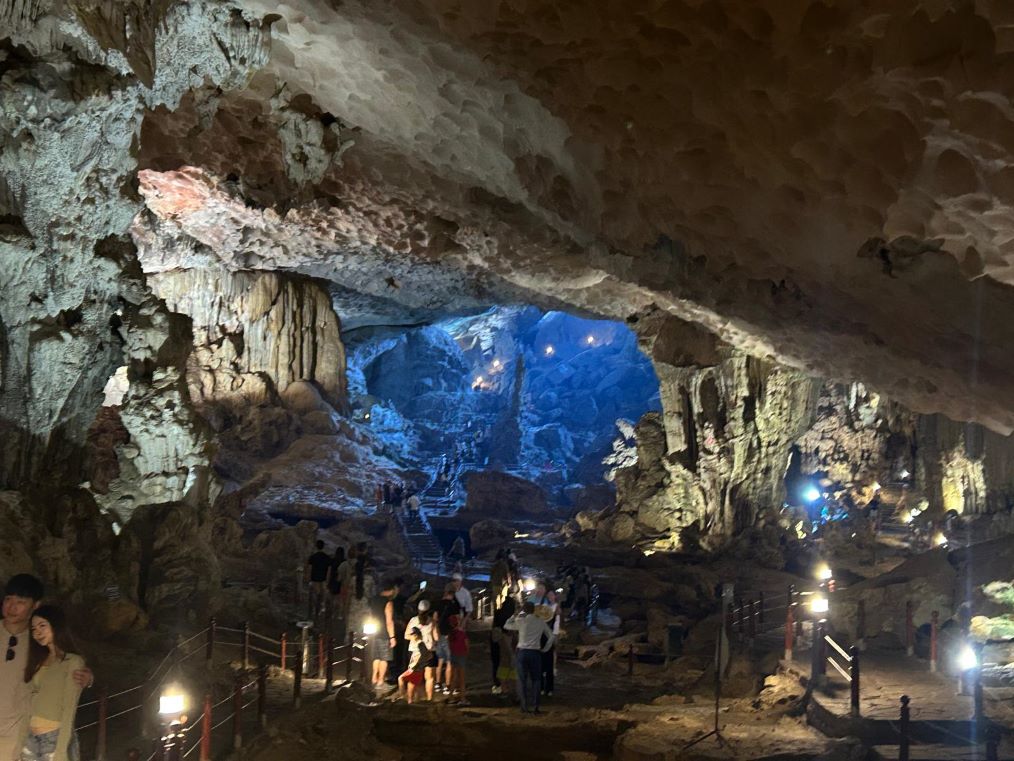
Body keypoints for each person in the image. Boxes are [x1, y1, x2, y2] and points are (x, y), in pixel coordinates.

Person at [0, 576, 91, 761]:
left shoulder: (38, 643)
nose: (12, 607)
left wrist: (88, 678)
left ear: (35, 606)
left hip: (19, 731)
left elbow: (65, 663)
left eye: (20, 602)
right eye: (8, 599)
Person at [21, 606, 84, 761]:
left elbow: (69, 707)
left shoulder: (73, 661)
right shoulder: (37, 660)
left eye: (42, 625)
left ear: (56, 625)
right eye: (34, 629)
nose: (37, 633)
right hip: (30, 737)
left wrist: (62, 750)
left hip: (54, 737)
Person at [504, 601, 554, 714]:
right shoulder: (541, 622)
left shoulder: (521, 621)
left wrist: (515, 614)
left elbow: (506, 624)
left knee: (522, 680)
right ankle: (536, 706)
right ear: (534, 610)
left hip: (522, 653)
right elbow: (551, 636)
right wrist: (545, 649)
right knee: (536, 680)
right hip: (535, 653)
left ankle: (524, 706)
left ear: (524, 610)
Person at [432, 584, 460, 695]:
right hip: (449, 635)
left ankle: (438, 683)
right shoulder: (454, 605)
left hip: (439, 635)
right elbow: (457, 620)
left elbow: (434, 620)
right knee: (449, 662)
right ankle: (447, 686)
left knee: (440, 661)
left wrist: (435, 633)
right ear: (452, 594)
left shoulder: (437, 604)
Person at [404, 602, 435, 701]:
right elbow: (436, 637)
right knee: (429, 677)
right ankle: (429, 700)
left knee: (413, 677)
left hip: (415, 651)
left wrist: (416, 638)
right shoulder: (432, 621)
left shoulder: (413, 621)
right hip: (428, 650)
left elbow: (406, 635)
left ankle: (410, 700)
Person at [371, 581, 397, 688]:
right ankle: (381, 680)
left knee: (376, 657)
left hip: (374, 632)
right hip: (384, 633)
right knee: (384, 658)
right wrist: (392, 637)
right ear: (391, 590)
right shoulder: (388, 602)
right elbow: (389, 621)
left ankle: (373, 678)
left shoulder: (373, 600)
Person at [489, 595, 516, 696]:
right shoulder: (510, 618)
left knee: (497, 664)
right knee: (507, 665)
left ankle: (499, 685)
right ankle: (508, 688)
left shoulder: (498, 613)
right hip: (505, 644)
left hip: (496, 643)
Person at [397, 628, 429, 704]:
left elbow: (426, 655)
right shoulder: (416, 644)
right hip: (414, 668)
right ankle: (413, 700)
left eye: (411, 634)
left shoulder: (420, 644)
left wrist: (417, 665)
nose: (409, 636)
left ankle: (406, 699)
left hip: (416, 668)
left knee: (409, 683)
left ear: (415, 635)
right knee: (414, 684)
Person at [446, 614, 469, 706]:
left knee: (454, 678)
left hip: (453, 656)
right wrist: (466, 653)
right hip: (461, 656)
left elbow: (449, 646)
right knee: (462, 679)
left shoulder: (450, 635)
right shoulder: (462, 633)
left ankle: (451, 698)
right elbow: (467, 645)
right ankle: (462, 699)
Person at [306, 541, 331, 621]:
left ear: (316, 546)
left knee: (313, 598)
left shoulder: (313, 557)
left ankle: (310, 615)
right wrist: (327, 580)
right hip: (323, 580)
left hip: (314, 580)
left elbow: (310, 569)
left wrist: (308, 579)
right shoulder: (327, 557)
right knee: (320, 598)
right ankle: (318, 614)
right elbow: (328, 570)